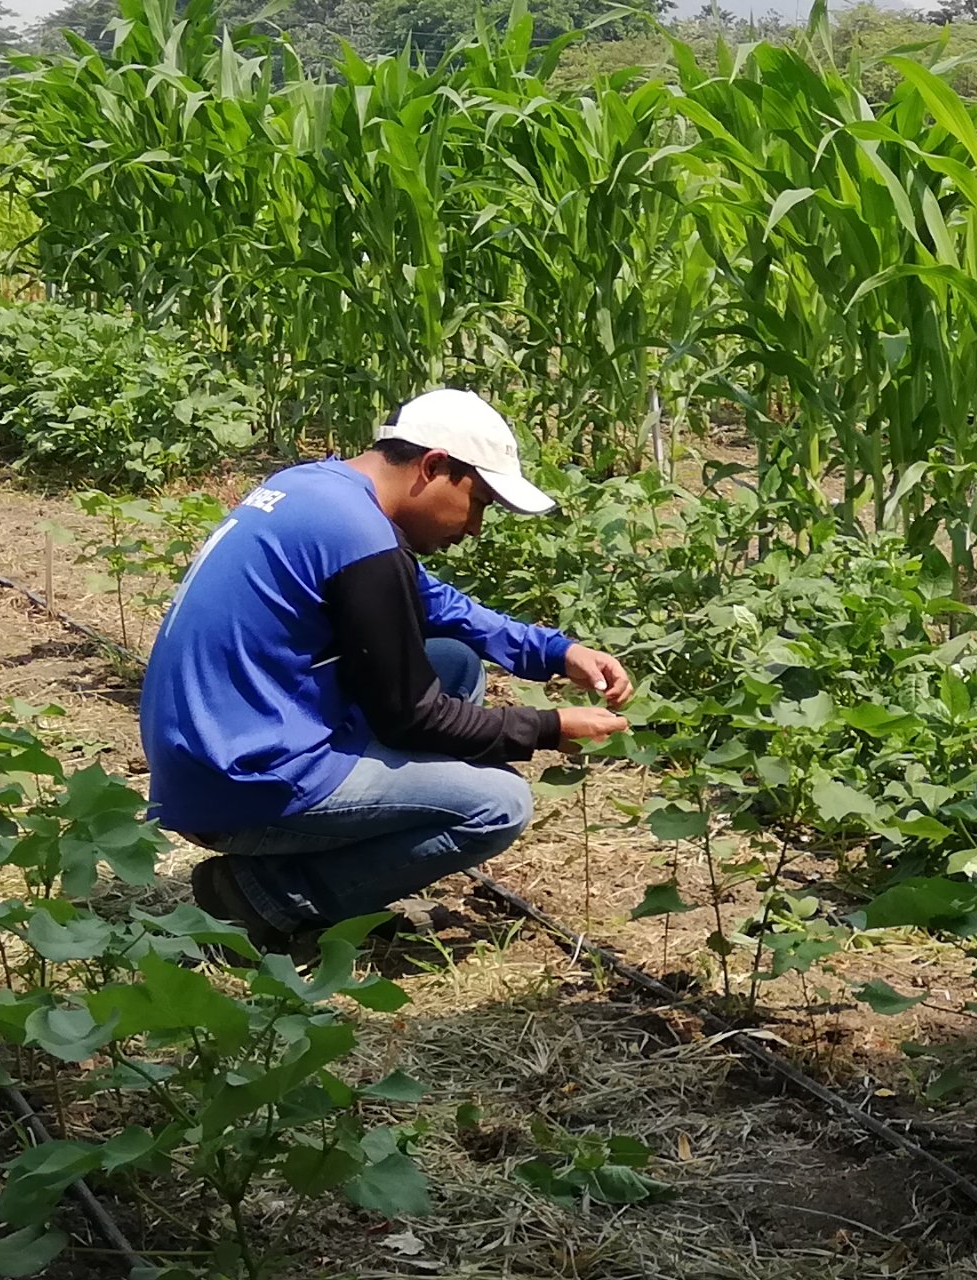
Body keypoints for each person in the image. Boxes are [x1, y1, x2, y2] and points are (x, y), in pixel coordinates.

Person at [143, 386, 632, 948]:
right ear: (434, 466)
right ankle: (265, 897)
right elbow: (413, 718)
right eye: (478, 502)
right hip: (239, 785)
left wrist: (555, 651)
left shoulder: (316, 488)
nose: (475, 527)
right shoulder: (360, 537)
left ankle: (337, 853)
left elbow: (431, 601)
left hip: (210, 750)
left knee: (453, 664)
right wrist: (548, 727)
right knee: (498, 805)